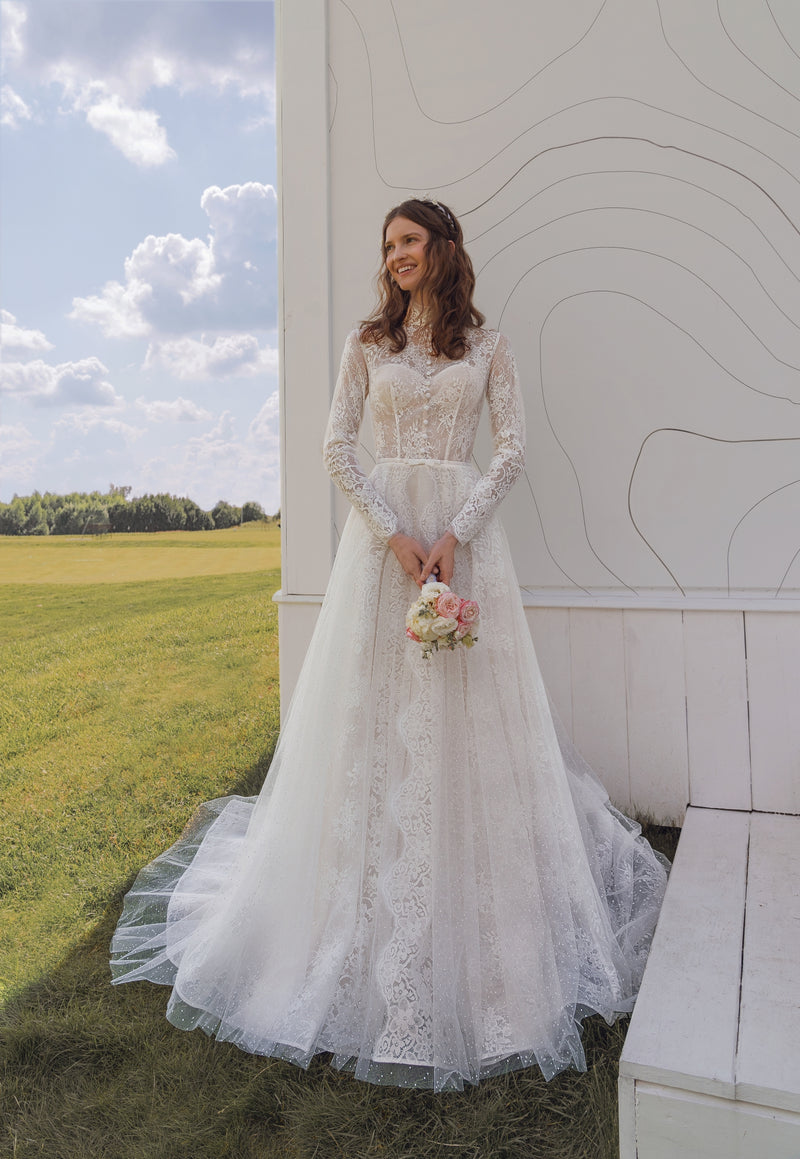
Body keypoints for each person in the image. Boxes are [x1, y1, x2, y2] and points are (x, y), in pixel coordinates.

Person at [110, 198, 668, 1093]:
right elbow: (337, 447)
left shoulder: (488, 346)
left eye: (409, 240)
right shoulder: (367, 343)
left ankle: (484, 929)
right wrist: (392, 532)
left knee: (469, 716)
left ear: (443, 248)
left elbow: (513, 449)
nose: (396, 254)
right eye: (388, 244)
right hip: (382, 553)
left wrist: (458, 531)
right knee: (372, 719)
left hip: (461, 541)